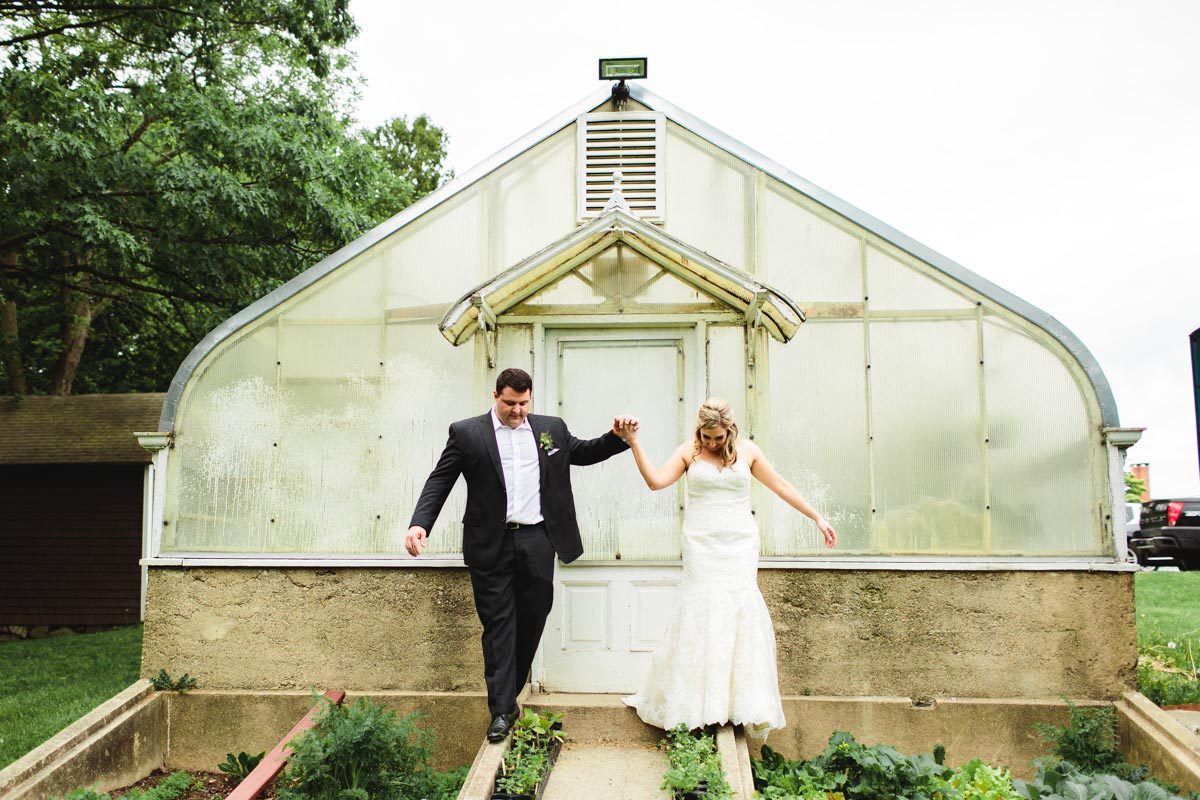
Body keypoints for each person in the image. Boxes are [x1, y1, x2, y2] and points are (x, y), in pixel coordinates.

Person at [406, 367, 635, 742]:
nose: (517, 411)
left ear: (531, 398)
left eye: (524, 403)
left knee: (532, 618)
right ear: (495, 395)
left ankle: (506, 695)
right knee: (498, 626)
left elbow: (583, 453)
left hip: (537, 541)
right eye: (510, 403)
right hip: (489, 545)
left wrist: (616, 438)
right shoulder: (467, 433)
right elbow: (440, 479)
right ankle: (501, 710)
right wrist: (420, 524)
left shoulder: (549, 429)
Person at [617, 398, 836, 736]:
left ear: (729, 430)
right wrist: (634, 443)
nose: (711, 443)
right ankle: (695, 702)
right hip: (701, 544)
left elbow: (780, 486)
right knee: (701, 611)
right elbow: (656, 482)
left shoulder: (748, 452)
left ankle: (733, 702)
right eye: (706, 437)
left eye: (718, 438)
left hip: (739, 544)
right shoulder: (688, 453)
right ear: (699, 431)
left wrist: (817, 517)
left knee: (738, 611)